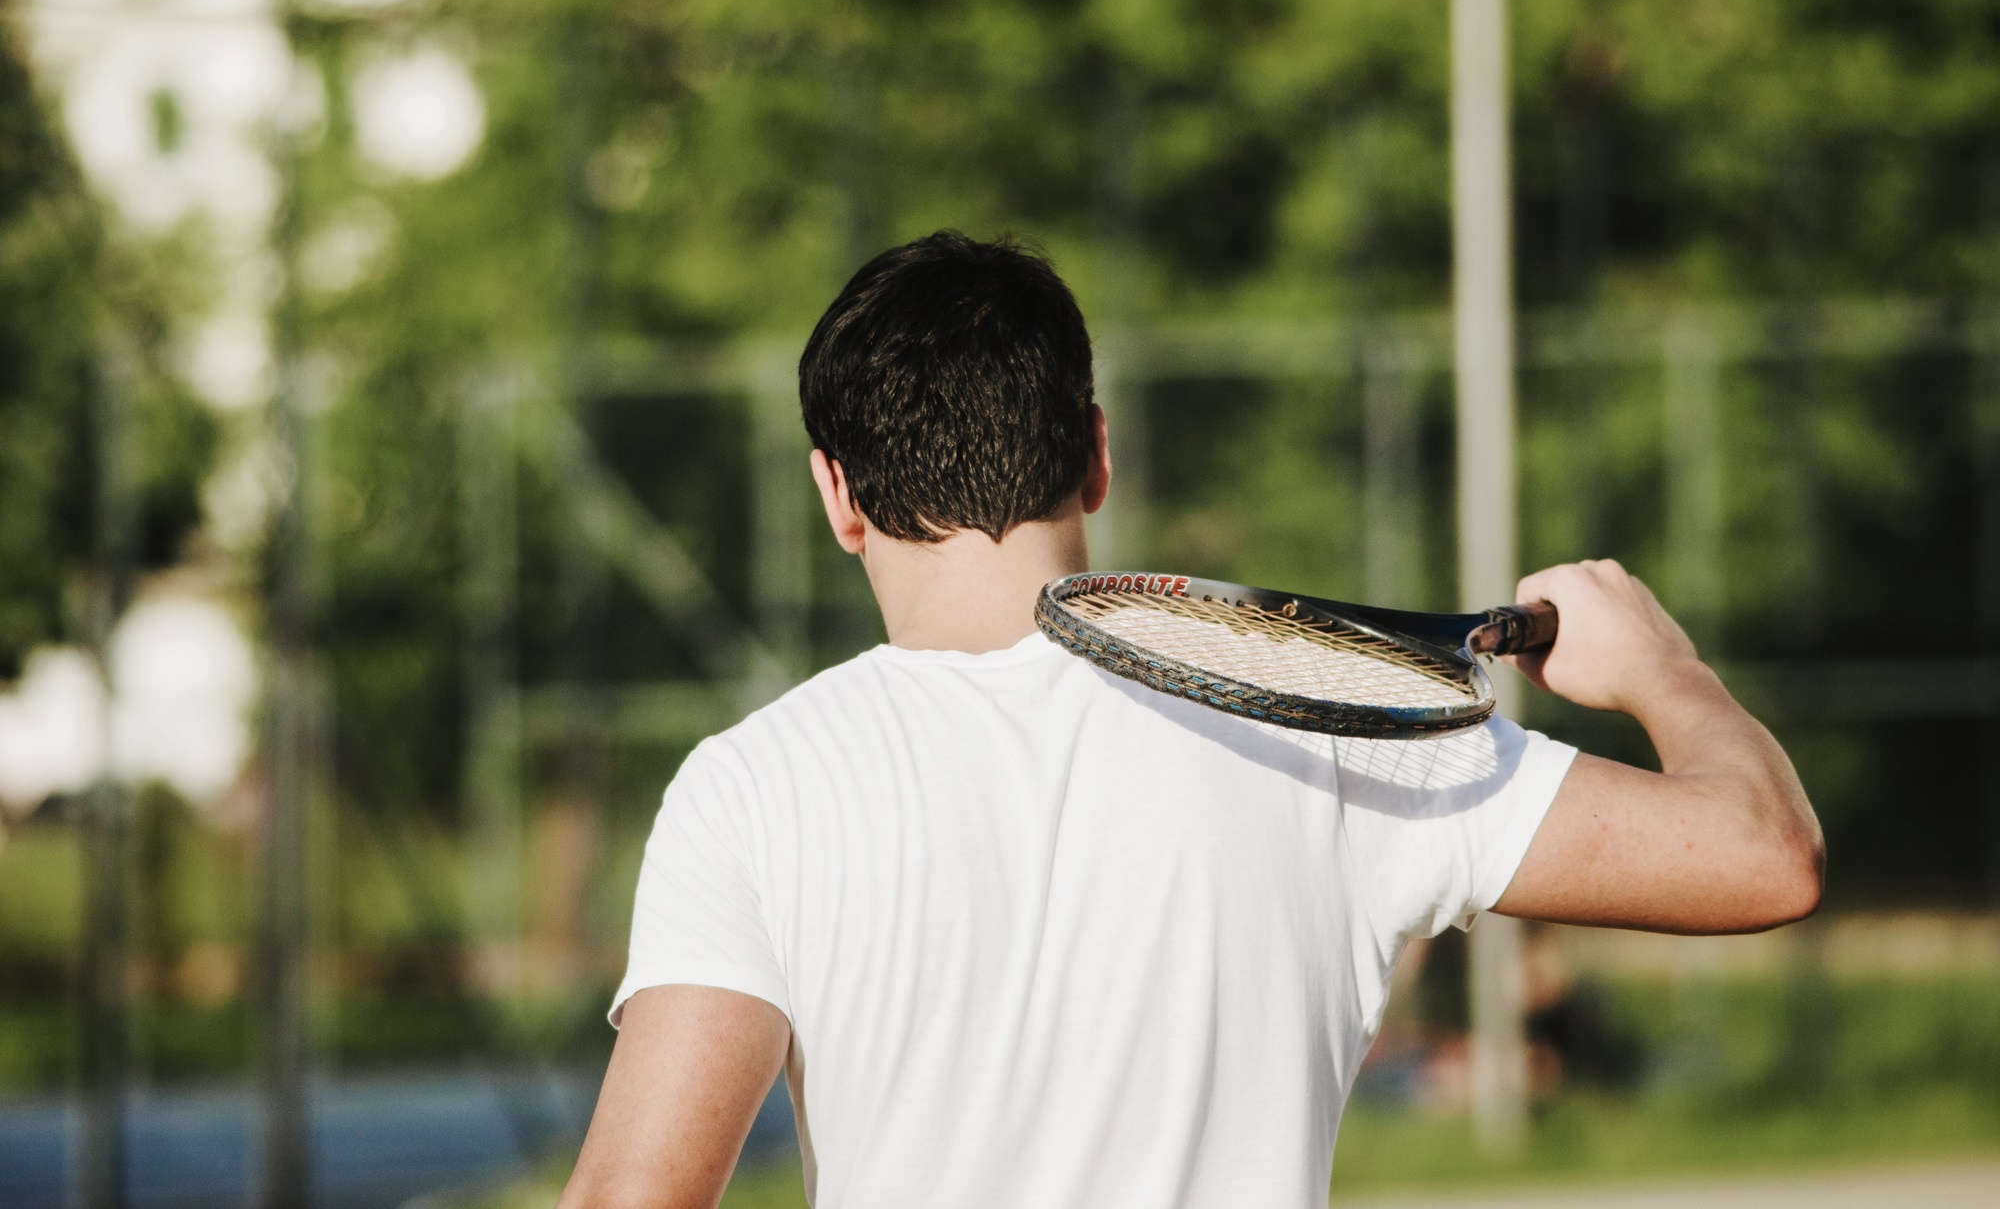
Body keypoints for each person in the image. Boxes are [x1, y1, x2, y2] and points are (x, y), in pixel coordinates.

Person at [556, 231, 1822, 1209]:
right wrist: (1662, 667)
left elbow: (634, 1194)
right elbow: (1761, 856)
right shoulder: (1327, 718)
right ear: (1094, 453)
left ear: (836, 493)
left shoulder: (752, 786)